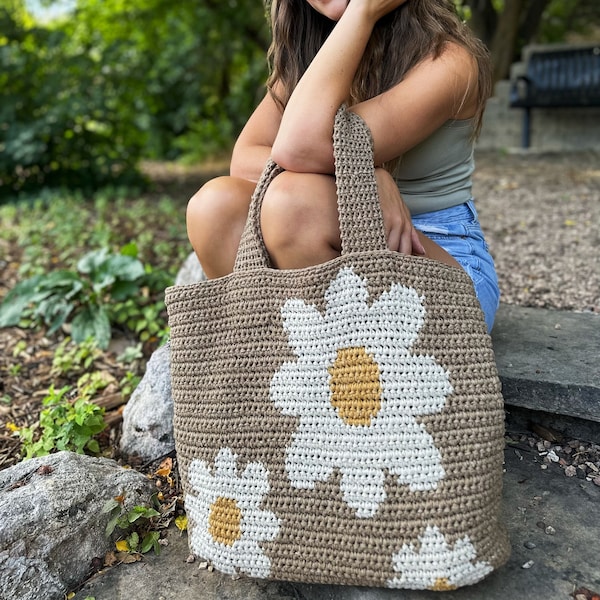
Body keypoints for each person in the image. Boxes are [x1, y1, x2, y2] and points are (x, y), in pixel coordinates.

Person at [186, 0, 500, 331]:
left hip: (442, 263)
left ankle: (331, 366)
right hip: (339, 238)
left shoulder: (448, 61)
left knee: (293, 202)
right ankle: (276, 354)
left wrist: (363, 10)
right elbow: (246, 158)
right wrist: (369, 173)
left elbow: (300, 146)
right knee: (214, 206)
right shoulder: (310, 57)